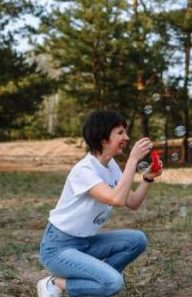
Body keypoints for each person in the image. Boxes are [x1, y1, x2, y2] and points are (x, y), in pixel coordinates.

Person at [36, 110, 162, 297]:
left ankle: (94, 284)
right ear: (103, 138)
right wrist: (133, 160)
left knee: (137, 240)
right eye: (120, 133)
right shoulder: (85, 170)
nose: (126, 138)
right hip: (59, 248)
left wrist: (147, 179)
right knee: (113, 283)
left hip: (85, 243)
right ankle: (54, 283)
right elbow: (116, 199)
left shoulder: (110, 166)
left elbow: (132, 202)